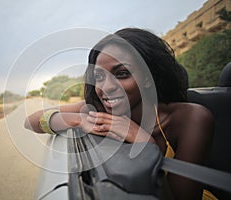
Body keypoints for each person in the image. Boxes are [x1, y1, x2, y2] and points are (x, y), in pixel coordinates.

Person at [24, 28, 215, 200]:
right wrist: (78, 120)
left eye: (122, 73)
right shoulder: (96, 108)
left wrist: (144, 145)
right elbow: (31, 121)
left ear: (148, 78)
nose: (105, 88)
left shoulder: (192, 118)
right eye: (98, 77)